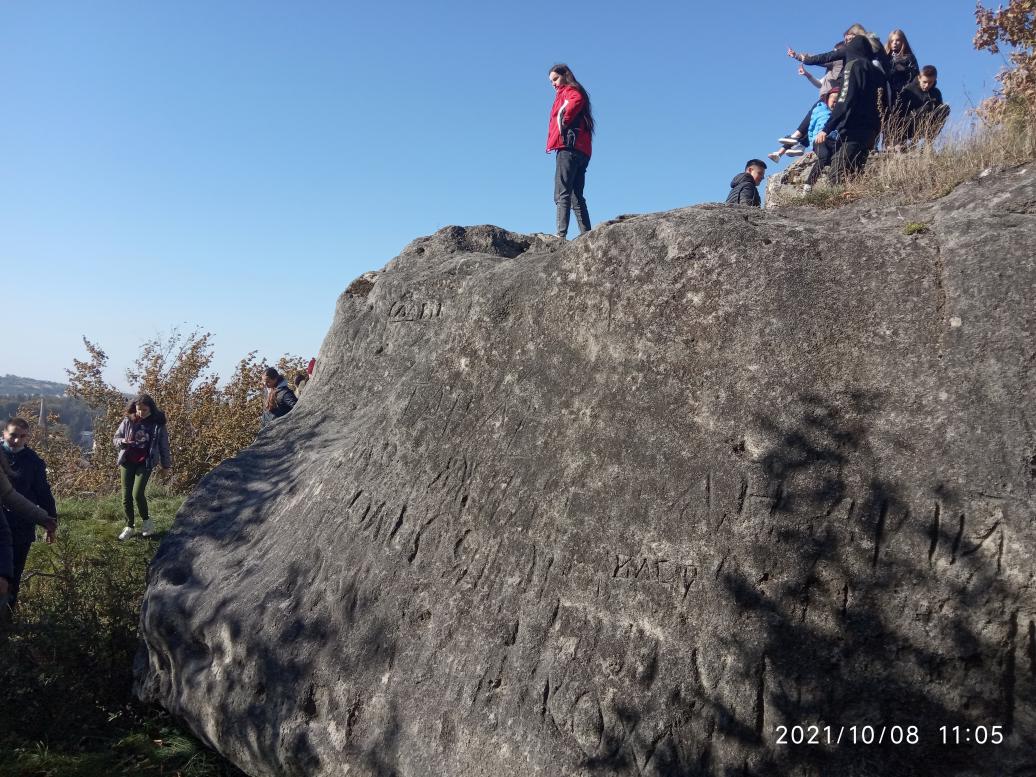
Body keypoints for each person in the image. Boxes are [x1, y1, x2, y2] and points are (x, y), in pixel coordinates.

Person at [1, 418, 57, 610]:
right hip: (2, 523)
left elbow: (42, 493)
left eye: (22, 436)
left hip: (20, 525)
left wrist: (49, 520)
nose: (17, 441)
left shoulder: (33, 461)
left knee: (12, 576)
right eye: (13, 435)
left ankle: (7, 619)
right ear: (4, 434)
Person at [814, 35, 884, 183]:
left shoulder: (853, 66)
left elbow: (845, 101)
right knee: (855, 175)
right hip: (870, 133)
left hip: (852, 131)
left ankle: (837, 205)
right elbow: (884, 101)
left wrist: (826, 129)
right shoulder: (876, 71)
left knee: (837, 174)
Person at [769, 45, 844, 163]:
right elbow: (820, 84)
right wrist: (807, 75)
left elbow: (820, 59)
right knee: (812, 124)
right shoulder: (832, 72)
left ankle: (793, 142)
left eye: (834, 52)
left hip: (828, 100)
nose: (832, 54)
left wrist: (797, 56)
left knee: (810, 122)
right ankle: (791, 147)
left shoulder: (838, 62)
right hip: (826, 99)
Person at [546, 63, 595, 240]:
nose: (553, 84)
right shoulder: (572, 92)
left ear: (565, 75)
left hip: (568, 147)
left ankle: (560, 235)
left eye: (555, 79)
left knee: (562, 192)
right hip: (582, 150)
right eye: (551, 81)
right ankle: (587, 234)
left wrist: (563, 122)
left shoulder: (570, 92)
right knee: (576, 195)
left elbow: (572, 105)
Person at [113, 394, 171, 540]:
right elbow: (116, 438)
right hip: (127, 460)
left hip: (146, 462)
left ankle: (147, 522)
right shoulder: (128, 420)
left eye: (144, 410)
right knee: (126, 496)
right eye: (138, 409)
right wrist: (122, 442)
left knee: (137, 493)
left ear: (151, 408)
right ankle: (129, 526)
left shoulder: (158, 423)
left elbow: (164, 446)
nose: (141, 413)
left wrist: (166, 465)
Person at [894, 66, 950, 145]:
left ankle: (928, 144)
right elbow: (899, 116)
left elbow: (938, 115)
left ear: (935, 80)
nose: (927, 85)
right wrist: (922, 110)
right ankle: (908, 143)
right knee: (926, 108)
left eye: (930, 82)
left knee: (945, 109)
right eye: (924, 82)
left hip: (927, 125)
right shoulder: (908, 90)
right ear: (919, 78)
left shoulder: (936, 93)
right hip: (908, 126)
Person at [803, 89, 841, 190]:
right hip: (820, 140)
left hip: (834, 140)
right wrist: (812, 143)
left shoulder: (840, 114)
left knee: (838, 158)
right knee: (824, 156)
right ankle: (809, 184)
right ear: (827, 99)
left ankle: (835, 186)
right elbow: (811, 128)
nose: (835, 104)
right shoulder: (819, 110)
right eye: (833, 101)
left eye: (838, 102)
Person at [885, 29, 919, 97]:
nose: (894, 43)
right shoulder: (885, 58)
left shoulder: (909, 57)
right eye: (892, 41)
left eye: (897, 40)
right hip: (888, 90)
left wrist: (904, 69)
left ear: (903, 42)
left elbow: (916, 76)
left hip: (904, 92)